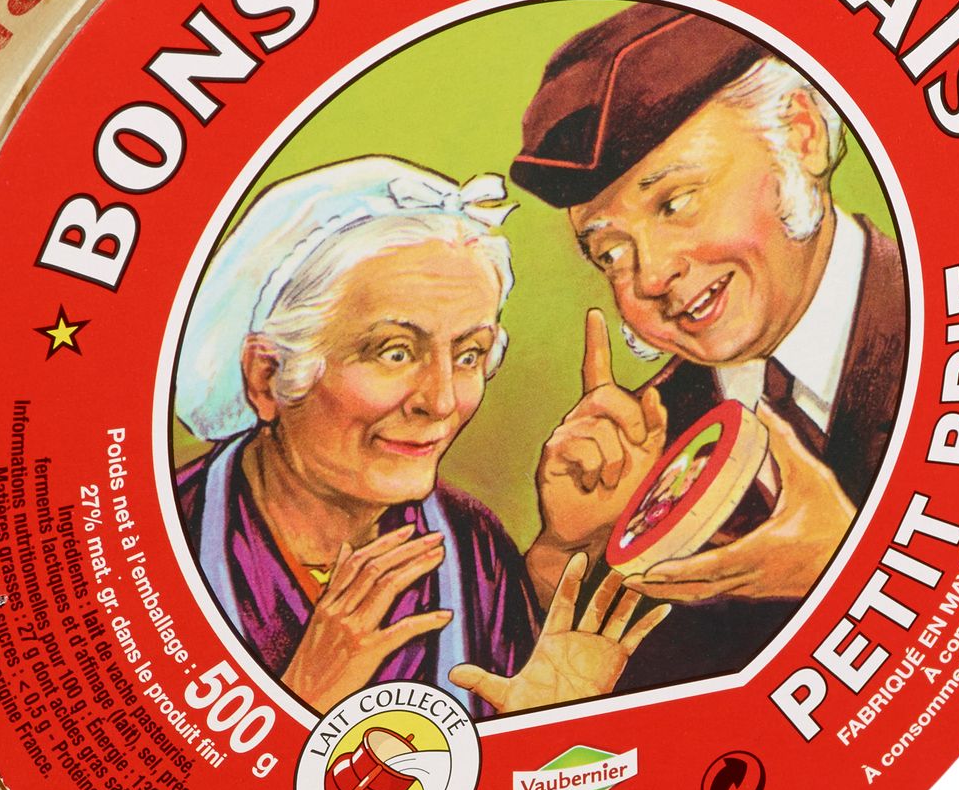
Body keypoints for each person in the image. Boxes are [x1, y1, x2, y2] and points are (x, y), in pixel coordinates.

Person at [174, 156, 668, 716]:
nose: (440, 401)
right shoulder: (168, 541)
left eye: (469, 355)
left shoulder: (471, 545)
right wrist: (304, 696)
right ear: (268, 376)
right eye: (395, 352)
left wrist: (564, 554)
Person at [510, 3, 907, 688]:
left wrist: (852, 566)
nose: (651, 276)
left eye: (675, 202)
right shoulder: (645, 446)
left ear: (801, 136)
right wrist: (566, 558)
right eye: (611, 254)